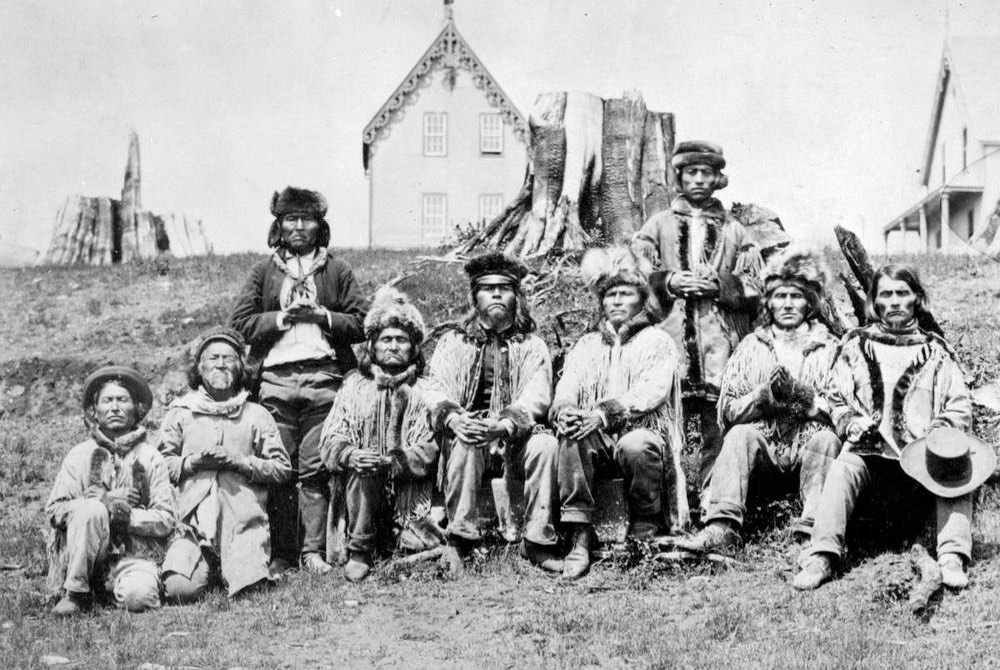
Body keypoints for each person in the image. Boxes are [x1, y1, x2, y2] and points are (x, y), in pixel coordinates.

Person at [794, 264, 983, 590]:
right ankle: (822, 555)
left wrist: (940, 429)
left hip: (923, 468)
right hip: (871, 463)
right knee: (844, 465)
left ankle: (952, 555)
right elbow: (835, 397)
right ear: (875, 302)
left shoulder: (936, 351)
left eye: (902, 293)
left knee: (957, 461)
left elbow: (959, 404)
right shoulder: (855, 345)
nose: (894, 301)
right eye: (886, 294)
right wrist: (851, 422)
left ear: (916, 298)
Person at [230, 186, 366, 576]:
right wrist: (283, 317)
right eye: (291, 218)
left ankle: (312, 552)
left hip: (324, 378)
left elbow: (359, 323)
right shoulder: (265, 271)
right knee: (280, 469)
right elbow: (241, 322)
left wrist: (322, 316)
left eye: (307, 219)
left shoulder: (336, 270)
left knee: (314, 468)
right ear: (279, 224)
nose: (299, 226)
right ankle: (283, 554)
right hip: (275, 380)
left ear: (320, 225)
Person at [674, 248, 841, 552]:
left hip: (809, 451)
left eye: (796, 296)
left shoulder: (829, 348)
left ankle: (813, 529)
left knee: (827, 440)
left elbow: (842, 408)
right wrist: (763, 396)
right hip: (764, 456)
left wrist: (801, 396)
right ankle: (721, 526)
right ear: (769, 302)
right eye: (779, 296)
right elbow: (728, 411)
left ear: (809, 302)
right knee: (739, 435)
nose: (787, 303)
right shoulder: (752, 346)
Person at [632, 141, 763, 501]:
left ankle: (712, 497)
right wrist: (668, 281)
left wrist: (720, 285)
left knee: (716, 424)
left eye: (707, 173)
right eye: (692, 173)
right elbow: (633, 277)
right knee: (664, 421)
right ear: (680, 177)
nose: (700, 180)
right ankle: (664, 502)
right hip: (669, 337)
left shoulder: (735, 231)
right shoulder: (657, 225)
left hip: (718, 343)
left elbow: (755, 284)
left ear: (718, 178)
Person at [553, 246, 689, 579]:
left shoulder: (656, 341)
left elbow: (652, 392)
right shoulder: (587, 345)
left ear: (642, 300)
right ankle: (580, 534)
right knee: (571, 434)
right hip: (594, 435)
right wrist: (566, 410)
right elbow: (568, 383)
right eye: (610, 294)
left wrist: (603, 413)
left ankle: (645, 521)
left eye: (625, 293)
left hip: (641, 429)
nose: (616, 300)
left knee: (636, 444)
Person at [424, 252, 561, 571]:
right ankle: (459, 541)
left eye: (505, 287)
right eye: (488, 288)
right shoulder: (453, 342)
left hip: (516, 439)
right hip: (469, 435)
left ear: (517, 296)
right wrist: (455, 419)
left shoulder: (531, 345)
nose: (497, 293)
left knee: (547, 445)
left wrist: (505, 424)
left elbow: (538, 394)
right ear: (475, 297)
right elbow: (434, 388)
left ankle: (538, 542)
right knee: (467, 441)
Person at [160, 327, 293, 601]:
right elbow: (159, 467)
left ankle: (237, 565)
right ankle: (206, 561)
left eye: (228, 358)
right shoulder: (180, 412)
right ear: (199, 367)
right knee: (179, 590)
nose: (221, 364)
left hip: (243, 521)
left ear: (240, 367)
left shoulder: (256, 414)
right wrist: (193, 463)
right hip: (192, 523)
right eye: (212, 358)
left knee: (250, 588)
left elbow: (281, 468)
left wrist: (240, 462)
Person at [319, 287, 442, 582]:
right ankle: (360, 550)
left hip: (410, 495)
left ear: (414, 348)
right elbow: (330, 440)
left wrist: (396, 462)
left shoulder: (427, 389)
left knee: (414, 544)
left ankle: (402, 540)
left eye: (402, 340)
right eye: (386, 339)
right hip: (362, 493)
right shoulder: (354, 387)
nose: (393, 346)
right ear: (372, 346)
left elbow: (434, 447)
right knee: (364, 470)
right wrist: (351, 455)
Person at [45, 366, 177, 616]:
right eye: (107, 400)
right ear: (95, 411)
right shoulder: (79, 455)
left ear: (136, 409)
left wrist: (123, 513)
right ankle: (76, 593)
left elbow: (166, 518)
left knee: (140, 597)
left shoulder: (151, 457)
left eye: (122, 400)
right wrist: (101, 504)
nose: (114, 407)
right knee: (91, 508)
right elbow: (55, 511)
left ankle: (112, 590)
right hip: (84, 557)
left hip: (135, 555)